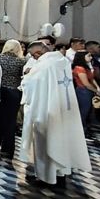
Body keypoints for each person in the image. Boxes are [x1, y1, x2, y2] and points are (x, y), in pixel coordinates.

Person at [19, 42, 91, 185]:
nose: (34, 58)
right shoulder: (62, 61)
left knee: (46, 143)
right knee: (61, 142)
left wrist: (26, 77)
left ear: (39, 52)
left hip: (46, 110)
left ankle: (47, 177)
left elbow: (30, 85)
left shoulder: (44, 65)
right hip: (64, 109)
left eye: (34, 55)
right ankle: (61, 174)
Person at [0, 39, 25, 159]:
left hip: (0, 91)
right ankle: (8, 150)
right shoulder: (21, 61)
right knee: (11, 121)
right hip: (14, 93)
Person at [72, 50, 100, 133]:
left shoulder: (86, 67)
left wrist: (97, 87)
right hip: (83, 91)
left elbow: (92, 78)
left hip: (89, 90)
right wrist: (95, 90)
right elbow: (86, 83)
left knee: (89, 111)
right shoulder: (79, 68)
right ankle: (82, 129)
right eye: (89, 56)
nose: (91, 58)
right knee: (84, 111)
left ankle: (87, 127)